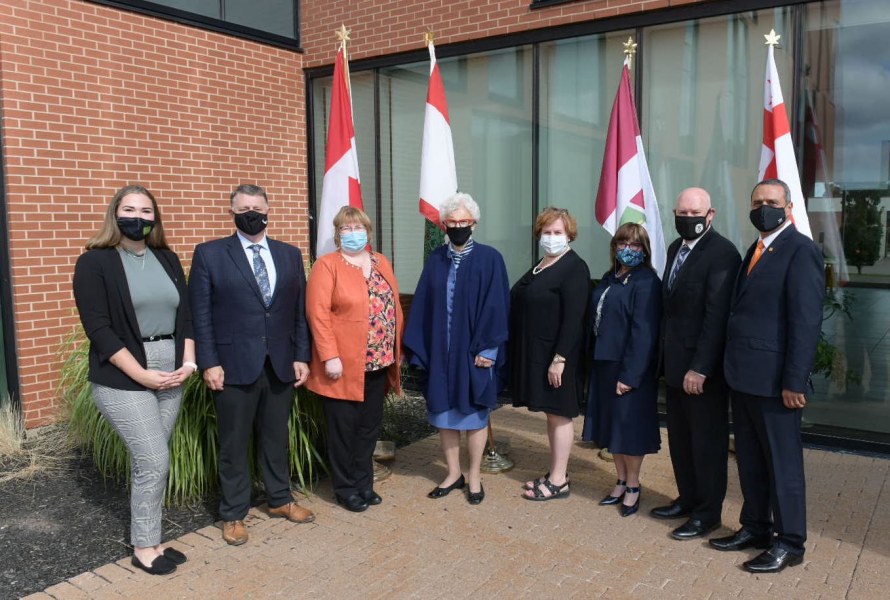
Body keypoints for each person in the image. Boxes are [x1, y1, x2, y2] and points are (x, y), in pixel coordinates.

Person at [73, 185, 195, 575]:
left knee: (154, 462)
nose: (138, 217)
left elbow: (186, 316)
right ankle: (144, 547)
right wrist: (141, 373)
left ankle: (154, 538)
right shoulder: (95, 262)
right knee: (153, 459)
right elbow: (99, 328)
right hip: (124, 372)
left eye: (146, 211)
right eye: (129, 209)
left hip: (172, 367)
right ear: (115, 213)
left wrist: (189, 363)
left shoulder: (167, 258)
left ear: (154, 218)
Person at [189, 184, 314, 546]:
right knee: (234, 442)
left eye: (257, 207)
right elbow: (200, 315)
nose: (251, 213)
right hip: (231, 366)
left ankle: (279, 499)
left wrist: (301, 355)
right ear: (231, 213)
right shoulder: (210, 254)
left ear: (268, 209)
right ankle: (233, 513)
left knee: (277, 437)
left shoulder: (289, 255)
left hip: (279, 364)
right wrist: (208, 362)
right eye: (243, 208)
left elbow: (297, 313)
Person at [710, 179, 824, 573]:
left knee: (783, 466)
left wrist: (794, 381)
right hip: (744, 378)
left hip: (777, 383)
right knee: (752, 461)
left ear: (788, 207)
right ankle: (756, 527)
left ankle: (790, 542)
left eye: (772, 202)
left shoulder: (800, 250)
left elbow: (805, 322)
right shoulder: (755, 249)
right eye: (757, 202)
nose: (764, 208)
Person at [403, 192, 510, 506]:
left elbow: (498, 306)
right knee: (444, 414)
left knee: (474, 415)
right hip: (441, 352)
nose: (459, 226)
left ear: (474, 223)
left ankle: (474, 475)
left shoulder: (490, 259)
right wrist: (421, 350)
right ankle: (453, 473)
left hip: (473, 352)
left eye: (464, 221)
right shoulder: (437, 258)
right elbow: (423, 304)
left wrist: (489, 349)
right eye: (453, 222)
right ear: (444, 225)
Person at [651, 188, 741, 539]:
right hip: (674, 366)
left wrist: (701, 367)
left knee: (706, 444)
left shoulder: (723, 254)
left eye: (694, 211)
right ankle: (687, 499)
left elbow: (716, 317)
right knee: (682, 441)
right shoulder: (676, 249)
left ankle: (707, 514)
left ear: (710, 214)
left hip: (701, 372)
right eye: (681, 211)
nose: (686, 217)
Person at [305, 206, 403, 513]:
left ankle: (365, 483)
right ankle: (345, 487)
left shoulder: (381, 262)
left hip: (378, 361)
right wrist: (329, 356)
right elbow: (317, 314)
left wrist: (396, 349)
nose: (352, 234)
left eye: (357, 228)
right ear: (336, 234)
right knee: (343, 431)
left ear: (368, 232)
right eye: (345, 229)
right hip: (342, 367)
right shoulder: (327, 266)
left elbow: (393, 305)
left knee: (368, 428)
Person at [509, 207, 590, 501]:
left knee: (561, 415)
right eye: (547, 232)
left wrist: (560, 359)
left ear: (569, 235)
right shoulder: (542, 264)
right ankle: (555, 471)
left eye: (557, 232)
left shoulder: (574, 267)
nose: (551, 237)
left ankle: (559, 480)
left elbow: (574, 319)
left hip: (558, 358)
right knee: (552, 415)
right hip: (538, 354)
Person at [582, 223, 662, 517]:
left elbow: (645, 334)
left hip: (629, 368)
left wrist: (630, 376)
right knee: (611, 428)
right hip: (604, 363)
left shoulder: (647, 282)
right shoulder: (609, 277)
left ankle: (633, 485)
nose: (627, 249)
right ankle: (619, 480)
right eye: (622, 243)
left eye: (635, 245)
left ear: (645, 250)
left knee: (629, 430)